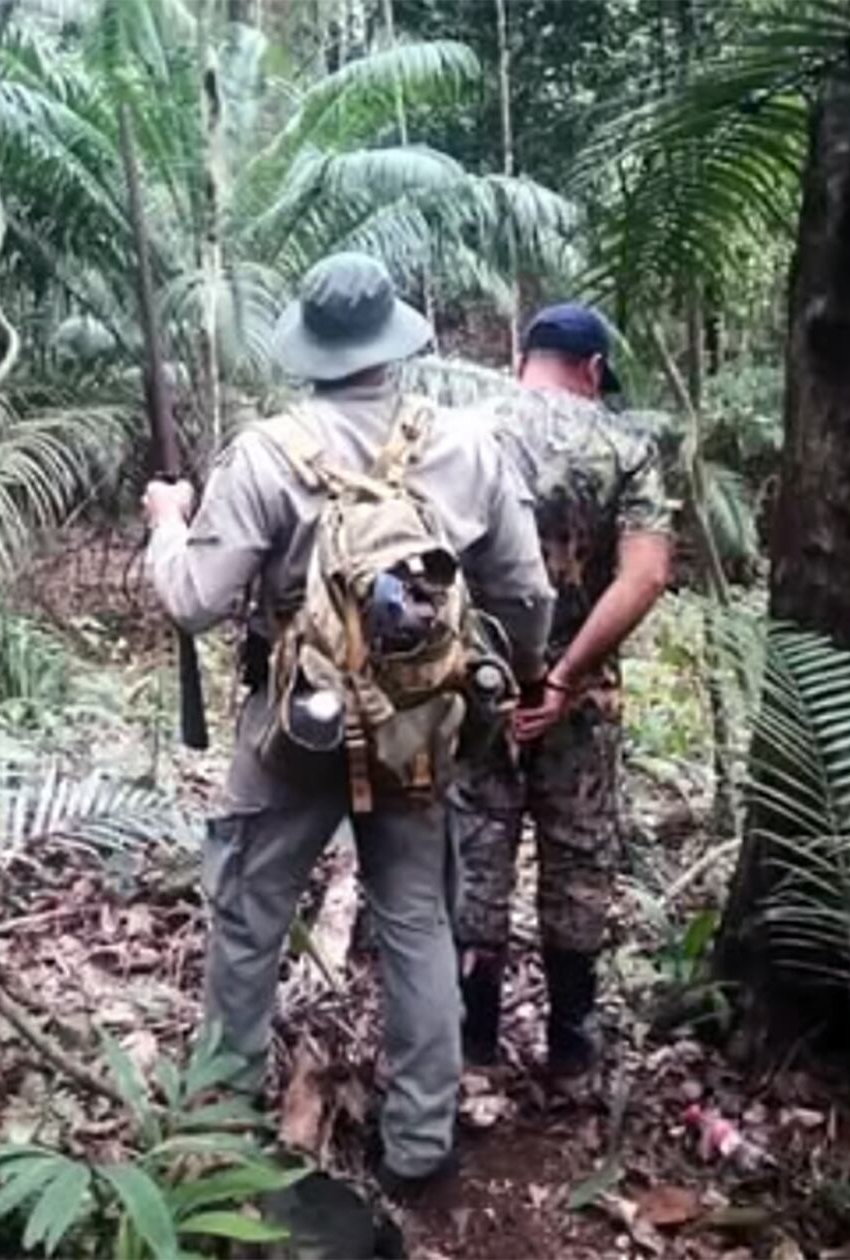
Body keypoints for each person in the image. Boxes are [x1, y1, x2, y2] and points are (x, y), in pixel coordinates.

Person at [142, 252, 554, 1196]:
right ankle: (420, 1144)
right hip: (418, 727)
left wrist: (169, 519)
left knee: (250, 916)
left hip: (295, 730)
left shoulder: (265, 454)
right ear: (393, 341)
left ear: (311, 349)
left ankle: (222, 1127)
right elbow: (526, 595)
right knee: (415, 921)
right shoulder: (469, 447)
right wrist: (521, 680)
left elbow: (194, 600)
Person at [453, 302, 674, 1083]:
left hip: (476, 688)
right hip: (580, 695)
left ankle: (473, 1045)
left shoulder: (468, 434)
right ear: (593, 369)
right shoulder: (627, 446)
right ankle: (573, 1051)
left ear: (524, 359)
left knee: (476, 852)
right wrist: (563, 675)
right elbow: (646, 575)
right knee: (579, 858)